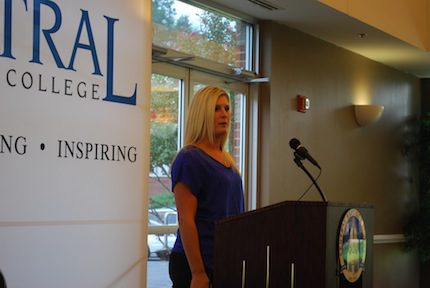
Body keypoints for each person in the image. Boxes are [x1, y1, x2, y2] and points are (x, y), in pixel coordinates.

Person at [168, 86, 245, 288]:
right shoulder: (190, 158)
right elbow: (186, 219)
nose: (224, 115)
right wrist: (198, 272)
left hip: (224, 262)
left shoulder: (228, 160)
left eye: (227, 108)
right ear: (202, 114)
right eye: (216, 109)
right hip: (196, 265)